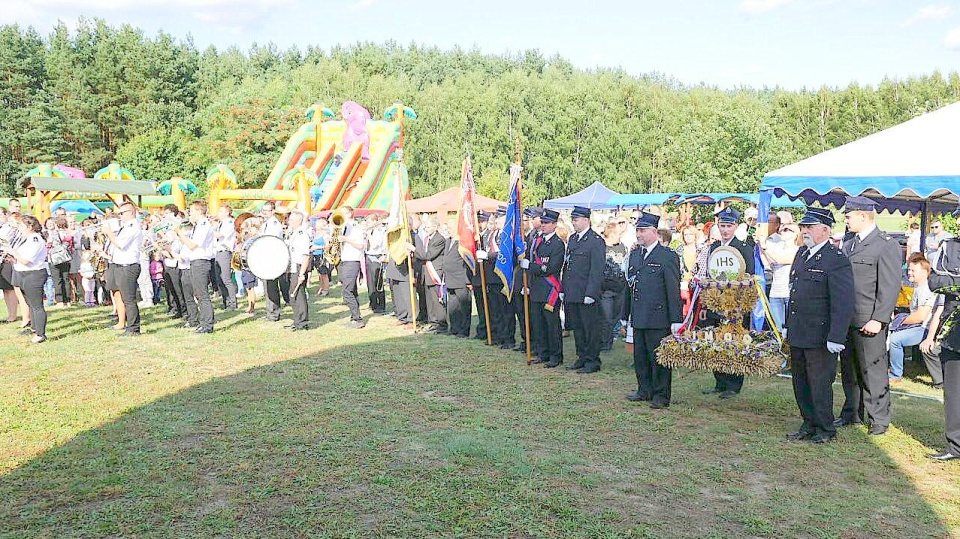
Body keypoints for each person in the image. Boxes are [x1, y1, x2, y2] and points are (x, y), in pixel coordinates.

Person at [784, 207, 855, 444]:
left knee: (819, 383)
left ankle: (825, 427)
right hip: (799, 330)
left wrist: (837, 336)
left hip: (820, 334)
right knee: (800, 381)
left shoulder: (836, 260)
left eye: (809, 227)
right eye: (803, 227)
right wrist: (787, 325)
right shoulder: (802, 254)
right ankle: (808, 422)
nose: (804, 231)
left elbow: (843, 301)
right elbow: (794, 293)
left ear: (824, 230)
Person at [837, 196, 902, 436]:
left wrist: (879, 318)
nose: (846, 220)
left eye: (849, 215)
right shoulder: (849, 244)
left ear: (864, 216)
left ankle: (879, 418)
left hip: (869, 319)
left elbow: (890, 286)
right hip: (848, 318)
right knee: (850, 370)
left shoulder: (885, 245)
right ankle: (851, 411)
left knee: (872, 370)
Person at [623, 212, 683, 408]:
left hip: (658, 316)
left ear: (654, 232)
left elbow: (672, 289)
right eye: (637, 230)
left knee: (658, 358)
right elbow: (629, 286)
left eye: (642, 230)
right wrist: (625, 314)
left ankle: (661, 395)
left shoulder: (667, 256)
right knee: (640, 356)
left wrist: (676, 319)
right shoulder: (634, 255)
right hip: (639, 313)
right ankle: (644, 389)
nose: (638, 234)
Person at [698, 207, 755, 398]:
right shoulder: (714, 247)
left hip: (735, 305)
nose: (725, 230)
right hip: (716, 303)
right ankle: (720, 381)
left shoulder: (744, 247)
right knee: (717, 340)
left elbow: (749, 278)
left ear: (736, 227)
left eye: (729, 226)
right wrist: (705, 305)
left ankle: (734, 384)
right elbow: (709, 278)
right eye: (722, 226)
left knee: (734, 341)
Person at [926, 234, 960, 461]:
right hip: (955, 330)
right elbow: (935, 282)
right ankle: (955, 446)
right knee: (955, 393)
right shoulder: (949, 246)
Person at [562, 206, 606, 374]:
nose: (574, 222)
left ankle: (592, 360)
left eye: (577, 219)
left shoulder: (595, 241)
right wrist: (563, 287)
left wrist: (591, 293)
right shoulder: (573, 239)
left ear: (587, 220)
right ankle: (581, 356)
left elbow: (597, 270)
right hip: (573, 290)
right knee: (578, 327)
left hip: (586, 292)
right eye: (573, 219)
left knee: (590, 328)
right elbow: (568, 265)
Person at [887, 254, 939, 383]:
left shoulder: (925, 289)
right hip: (919, 326)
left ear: (924, 272)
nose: (909, 273)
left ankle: (895, 375)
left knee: (895, 339)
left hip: (925, 329)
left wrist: (897, 322)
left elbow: (921, 316)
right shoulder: (918, 287)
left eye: (913, 270)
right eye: (908, 270)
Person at [527, 209, 565, 367]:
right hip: (536, 288)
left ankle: (555, 356)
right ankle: (542, 353)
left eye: (546, 223)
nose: (543, 225)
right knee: (538, 324)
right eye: (542, 222)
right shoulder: (537, 240)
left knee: (552, 325)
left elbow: (551, 268)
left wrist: (531, 266)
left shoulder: (557, 244)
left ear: (554, 225)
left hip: (550, 290)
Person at [102, 202, 142, 336]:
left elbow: (120, 244)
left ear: (131, 212)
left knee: (129, 299)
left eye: (122, 213)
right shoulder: (125, 226)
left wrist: (108, 233)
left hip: (128, 266)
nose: (120, 216)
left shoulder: (132, 226)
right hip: (121, 265)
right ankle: (129, 326)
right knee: (125, 298)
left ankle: (133, 328)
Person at [176, 200, 216, 334]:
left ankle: (207, 324)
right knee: (198, 294)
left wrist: (180, 234)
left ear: (199, 211)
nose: (189, 213)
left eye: (192, 210)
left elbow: (193, 245)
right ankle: (203, 322)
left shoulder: (204, 224)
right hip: (195, 261)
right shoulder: (198, 225)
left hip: (201, 261)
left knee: (202, 294)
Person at [7, 215, 48, 343]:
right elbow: (21, 259)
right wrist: (12, 259)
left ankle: (41, 334)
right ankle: (34, 328)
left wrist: (12, 252)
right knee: (29, 303)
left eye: (22, 226)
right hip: (23, 273)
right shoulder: (26, 238)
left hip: (33, 274)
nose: (20, 228)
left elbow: (26, 260)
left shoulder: (35, 239)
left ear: (30, 227)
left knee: (37, 305)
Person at [759, 222, 801, 335]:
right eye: (782, 229)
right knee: (778, 329)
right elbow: (767, 262)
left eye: (787, 229)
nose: (783, 231)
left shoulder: (798, 250)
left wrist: (765, 246)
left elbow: (780, 259)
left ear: (795, 234)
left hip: (788, 292)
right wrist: (760, 246)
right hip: (775, 292)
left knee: (790, 328)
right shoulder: (777, 248)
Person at [414, 215, 447, 333]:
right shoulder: (428, 238)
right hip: (426, 273)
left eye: (428, 227)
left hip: (435, 273)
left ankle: (441, 323)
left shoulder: (439, 239)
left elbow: (428, 256)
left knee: (436, 300)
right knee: (429, 300)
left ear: (435, 226)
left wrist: (413, 249)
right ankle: (433, 321)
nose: (426, 229)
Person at [336, 206, 368, 329]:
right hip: (344, 260)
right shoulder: (344, 227)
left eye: (344, 213)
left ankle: (357, 318)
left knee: (347, 291)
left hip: (352, 261)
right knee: (352, 290)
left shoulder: (355, 228)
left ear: (350, 214)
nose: (341, 215)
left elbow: (360, 245)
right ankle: (354, 317)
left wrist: (345, 239)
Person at [442, 215, 472, 338]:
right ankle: (454, 327)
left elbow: (467, 261)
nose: (449, 229)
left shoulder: (462, 242)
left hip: (460, 278)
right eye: (448, 226)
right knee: (453, 305)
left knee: (463, 305)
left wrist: (467, 280)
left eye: (451, 226)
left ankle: (463, 330)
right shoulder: (449, 240)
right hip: (450, 278)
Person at [600, 221, 627, 352]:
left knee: (616, 316)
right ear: (611, 233)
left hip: (620, 287)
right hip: (606, 289)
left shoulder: (622, 247)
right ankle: (605, 343)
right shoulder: (601, 246)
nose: (620, 236)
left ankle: (609, 340)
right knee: (606, 317)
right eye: (618, 233)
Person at [385, 215, 414, 327]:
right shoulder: (397, 237)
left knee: (407, 296)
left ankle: (411, 318)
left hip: (406, 270)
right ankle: (402, 316)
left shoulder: (411, 237)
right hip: (395, 268)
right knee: (398, 296)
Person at [258, 202, 285, 322]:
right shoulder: (266, 224)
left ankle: (274, 313)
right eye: (263, 210)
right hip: (266, 257)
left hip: (272, 257)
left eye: (267, 211)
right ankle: (271, 312)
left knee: (271, 286)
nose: (264, 213)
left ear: (273, 211)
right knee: (267, 286)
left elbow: (270, 240)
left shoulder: (274, 224)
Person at [285, 210, 312, 331]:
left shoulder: (302, 234)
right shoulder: (292, 233)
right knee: (293, 295)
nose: (289, 221)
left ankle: (302, 322)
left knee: (298, 295)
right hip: (291, 266)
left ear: (298, 221)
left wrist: (302, 274)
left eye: (291, 219)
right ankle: (297, 320)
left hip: (298, 267)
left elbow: (305, 256)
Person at [212, 203, 238, 310]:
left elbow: (220, 235)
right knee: (219, 279)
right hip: (217, 251)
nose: (219, 213)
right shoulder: (220, 223)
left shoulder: (229, 222)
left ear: (227, 213)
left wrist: (210, 229)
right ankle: (225, 301)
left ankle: (232, 302)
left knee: (226, 278)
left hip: (225, 251)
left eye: (221, 211)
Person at [472, 212, 492, 340]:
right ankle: (482, 329)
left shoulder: (490, 236)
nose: (480, 224)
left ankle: (489, 330)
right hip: (478, 277)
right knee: (480, 306)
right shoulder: (475, 237)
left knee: (489, 307)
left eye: (482, 221)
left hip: (488, 276)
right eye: (478, 221)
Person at [674, 225, 701, 317]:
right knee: (684, 311)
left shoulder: (701, 250)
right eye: (686, 234)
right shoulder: (678, 250)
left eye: (690, 234)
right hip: (682, 284)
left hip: (697, 285)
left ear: (695, 235)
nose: (688, 236)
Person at [365, 214, 387, 314]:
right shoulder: (371, 231)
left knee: (377, 282)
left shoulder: (379, 231)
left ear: (374, 221)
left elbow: (374, 245)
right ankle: (372, 303)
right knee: (370, 283)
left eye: (368, 222)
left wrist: (369, 235)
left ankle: (380, 305)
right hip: (369, 257)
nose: (367, 224)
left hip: (376, 257)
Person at [311, 218, 331, 297]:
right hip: (315, 255)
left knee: (324, 273)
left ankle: (326, 289)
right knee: (320, 273)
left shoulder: (325, 235)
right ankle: (321, 288)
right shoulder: (316, 234)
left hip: (322, 255)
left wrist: (318, 247)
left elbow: (327, 246)